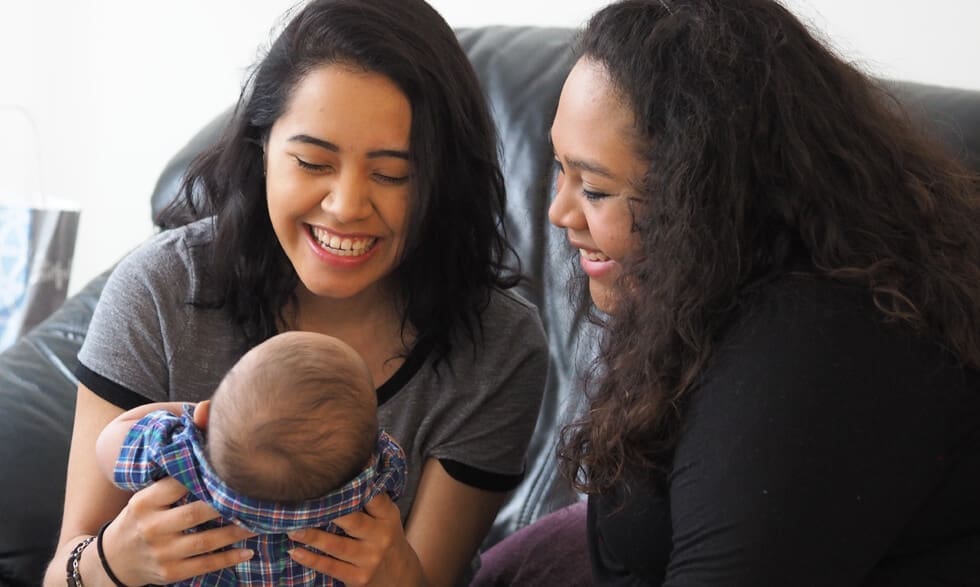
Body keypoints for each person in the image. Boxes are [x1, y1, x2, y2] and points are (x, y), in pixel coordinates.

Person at [44, 0, 549, 585]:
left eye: (391, 174)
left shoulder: (496, 346)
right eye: (312, 162)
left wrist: (397, 575)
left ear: (444, 181)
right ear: (262, 148)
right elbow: (63, 572)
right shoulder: (160, 292)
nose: (347, 207)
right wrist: (112, 561)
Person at [476, 0, 980, 585]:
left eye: (595, 188)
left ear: (703, 199)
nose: (559, 212)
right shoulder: (699, 301)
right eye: (560, 169)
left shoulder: (812, 350)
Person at [94, 331, 407, 585]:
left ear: (206, 414)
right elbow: (390, 459)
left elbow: (109, 445)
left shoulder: (180, 458)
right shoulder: (371, 484)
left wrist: (186, 417)